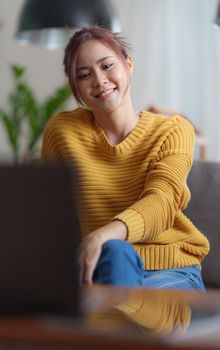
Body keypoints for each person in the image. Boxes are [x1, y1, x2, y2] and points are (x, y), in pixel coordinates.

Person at [41, 26, 210, 289]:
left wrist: (102, 236)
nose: (99, 80)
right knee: (115, 254)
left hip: (170, 270)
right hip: (101, 267)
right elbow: (51, 213)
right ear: (75, 87)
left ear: (128, 64)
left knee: (116, 253)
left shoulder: (173, 130)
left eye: (107, 65)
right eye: (84, 75)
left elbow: (162, 202)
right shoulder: (63, 131)